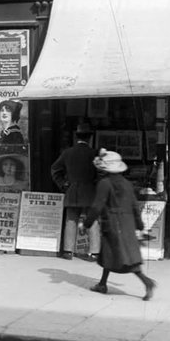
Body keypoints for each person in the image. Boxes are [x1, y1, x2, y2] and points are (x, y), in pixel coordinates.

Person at [82, 150, 156, 301]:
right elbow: (135, 206)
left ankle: (147, 282)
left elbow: (97, 206)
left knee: (122, 257)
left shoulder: (105, 183)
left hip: (113, 224)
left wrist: (87, 223)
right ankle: (102, 284)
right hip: (127, 224)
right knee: (109, 254)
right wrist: (140, 226)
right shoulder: (127, 184)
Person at [51, 122, 99, 259]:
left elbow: (55, 170)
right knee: (93, 221)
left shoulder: (67, 153)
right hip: (90, 190)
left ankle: (68, 251)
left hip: (72, 190)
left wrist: (63, 184)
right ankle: (94, 252)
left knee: (71, 220)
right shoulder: (94, 153)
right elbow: (101, 172)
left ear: (76, 136)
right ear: (90, 137)